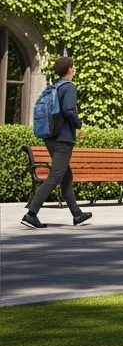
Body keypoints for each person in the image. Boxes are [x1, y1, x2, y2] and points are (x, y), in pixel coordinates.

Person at [21, 56, 92, 229]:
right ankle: (31, 213)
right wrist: (79, 124)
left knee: (66, 176)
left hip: (51, 137)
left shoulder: (54, 87)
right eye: (73, 67)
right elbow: (68, 109)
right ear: (69, 70)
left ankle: (77, 214)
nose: (74, 69)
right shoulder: (68, 87)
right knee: (55, 176)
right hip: (63, 138)